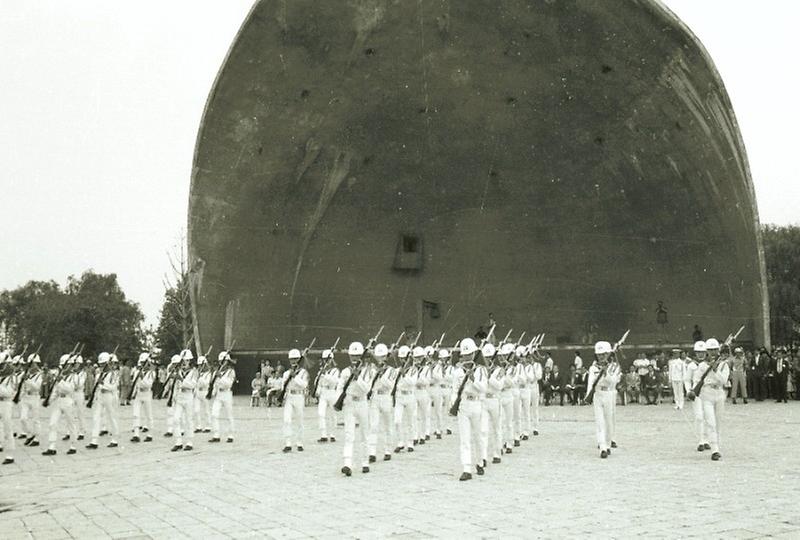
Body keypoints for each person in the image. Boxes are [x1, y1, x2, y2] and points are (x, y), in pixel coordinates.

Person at [451, 338, 488, 481]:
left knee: (478, 436)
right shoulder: (458, 371)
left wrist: (473, 379)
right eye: (465, 354)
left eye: (470, 354)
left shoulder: (480, 370)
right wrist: (453, 404)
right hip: (464, 405)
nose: (467, 357)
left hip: (477, 404)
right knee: (465, 439)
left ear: (474, 354)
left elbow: (483, 388)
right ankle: (466, 468)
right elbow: (455, 389)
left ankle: (479, 461)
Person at [339, 341, 374, 476]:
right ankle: (347, 463)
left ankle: (365, 462)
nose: (354, 358)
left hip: (362, 403)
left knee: (365, 433)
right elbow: (340, 387)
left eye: (357, 355)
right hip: (349, 403)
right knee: (349, 434)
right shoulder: (345, 371)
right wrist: (338, 401)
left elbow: (367, 389)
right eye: (352, 355)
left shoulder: (368, 371)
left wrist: (358, 377)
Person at [692, 338, 730, 461]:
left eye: (715, 350)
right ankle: (714, 450)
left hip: (719, 393)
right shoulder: (702, 365)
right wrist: (693, 390)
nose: (713, 352)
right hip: (706, 394)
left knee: (718, 423)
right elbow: (697, 379)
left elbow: (723, 380)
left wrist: (715, 370)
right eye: (710, 350)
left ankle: (716, 446)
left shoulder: (724, 364)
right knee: (710, 422)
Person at [586, 341, 621, 458]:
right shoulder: (593, 368)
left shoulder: (614, 367)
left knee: (609, 421)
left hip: (609, 394)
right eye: (599, 355)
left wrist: (606, 373)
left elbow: (614, 381)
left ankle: (608, 443)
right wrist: (587, 396)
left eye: (604, 354)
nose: (601, 357)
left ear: (608, 354)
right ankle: (602, 447)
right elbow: (590, 383)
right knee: (599, 422)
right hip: (597, 394)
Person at [42, 354, 79, 456]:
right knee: (52, 423)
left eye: (66, 365)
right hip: (59, 401)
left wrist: (61, 381)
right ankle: (52, 447)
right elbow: (55, 390)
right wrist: (49, 400)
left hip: (68, 400)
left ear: (71, 366)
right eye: (62, 365)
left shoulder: (74, 376)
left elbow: (70, 389)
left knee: (71, 424)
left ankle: (73, 445)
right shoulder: (59, 376)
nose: (63, 367)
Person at [86, 352, 120, 449]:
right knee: (96, 418)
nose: (101, 366)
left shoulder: (113, 374)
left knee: (112, 418)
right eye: (100, 364)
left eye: (103, 364)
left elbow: (113, 387)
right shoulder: (98, 374)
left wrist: (102, 384)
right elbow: (97, 388)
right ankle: (94, 441)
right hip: (100, 396)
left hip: (109, 396)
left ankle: (114, 439)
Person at [367, 343, 395, 463]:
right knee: (373, 426)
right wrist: (376, 372)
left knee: (387, 426)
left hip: (386, 397)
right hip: (375, 397)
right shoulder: (371, 369)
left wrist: (382, 374)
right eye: (379, 356)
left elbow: (391, 385)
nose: (381, 359)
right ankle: (372, 452)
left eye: (383, 356)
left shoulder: (391, 370)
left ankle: (387, 450)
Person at [171, 349, 198, 452]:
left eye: (186, 361)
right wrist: (174, 396)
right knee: (176, 419)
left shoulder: (194, 372)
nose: (184, 363)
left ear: (190, 361)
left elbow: (193, 385)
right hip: (179, 397)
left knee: (188, 420)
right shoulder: (178, 371)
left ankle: (189, 442)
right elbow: (176, 386)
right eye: (182, 361)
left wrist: (182, 380)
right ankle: (178, 442)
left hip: (188, 397)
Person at [282, 348, 309, 452]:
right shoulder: (286, 373)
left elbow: (304, 385)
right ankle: (288, 443)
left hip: (299, 396)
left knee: (299, 420)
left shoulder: (303, 373)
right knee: (287, 420)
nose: (294, 361)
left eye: (296, 359)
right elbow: (283, 385)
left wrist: (295, 377)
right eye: (292, 359)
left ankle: (299, 442)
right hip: (289, 397)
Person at [685, 341, 710, 452]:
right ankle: (700, 441)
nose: (701, 354)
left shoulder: (709, 364)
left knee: (707, 417)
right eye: (698, 352)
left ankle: (706, 440)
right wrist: (688, 390)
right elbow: (686, 380)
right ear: (695, 353)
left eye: (703, 352)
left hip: (708, 392)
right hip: (696, 392)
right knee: (699, 417)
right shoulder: (691, 365)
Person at [393, 345, 417, 453]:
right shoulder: (397, 370)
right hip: (400, 396)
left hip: (410, 396)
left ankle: (410, 442)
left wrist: (404, 375)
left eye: (405, 358)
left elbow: (413, 382)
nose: (403, 360)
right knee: (397, 420)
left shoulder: (413, 370)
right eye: (401, 358)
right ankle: (400, 442)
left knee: (410, 420)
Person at [209, 351, 236, 443]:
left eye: (224, 361)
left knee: (229, 415)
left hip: (227, 394)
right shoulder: (217, 372)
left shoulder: (231, 372)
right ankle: (216, 435)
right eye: (221, 361)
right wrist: (212, 393)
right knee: (214, 414)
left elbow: (228, 384)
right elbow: (214, 384)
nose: (222, 363)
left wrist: (220, 377)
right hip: (218, 395)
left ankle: (230, 435)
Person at [17, 353, 44, 447]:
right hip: (25, 398)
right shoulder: (26, 373)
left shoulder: (39, 374)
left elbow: (37, 387)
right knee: (23, 418)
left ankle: (37, 439)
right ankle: (30, 434)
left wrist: (28, 380)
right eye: (30, 363)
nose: (32, 365)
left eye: (34, 363)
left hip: (35, 397)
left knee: (35, 419)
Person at [130, 352, 156, 443]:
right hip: (138, 394)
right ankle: (136, 434)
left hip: (147, 394)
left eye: (143, 363)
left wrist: (142, 378)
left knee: (148, 414)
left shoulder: (151, 373)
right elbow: (135, 383)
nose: (141, 365)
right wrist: (132, 394)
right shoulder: (137, 371)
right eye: (141, 363)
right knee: (135, 414)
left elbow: (149, 385)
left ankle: (150, 434)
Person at [316, 349, 339, 442]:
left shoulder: (335, 370)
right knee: (321, 413)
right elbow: (319, 383)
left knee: (333, 414)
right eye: (325, 359)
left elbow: (335, 381)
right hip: (324, 393)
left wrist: (325, 374)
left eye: (328, 359)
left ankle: (333, 434)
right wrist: (318, 390)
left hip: (332, 392)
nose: (326, 362)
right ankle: (323, 435)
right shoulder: (321, 371)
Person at [0, 351, 19, 464]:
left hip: (6, 403)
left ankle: (10, 454)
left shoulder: (12, 378)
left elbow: (10, 393)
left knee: (8, 428)